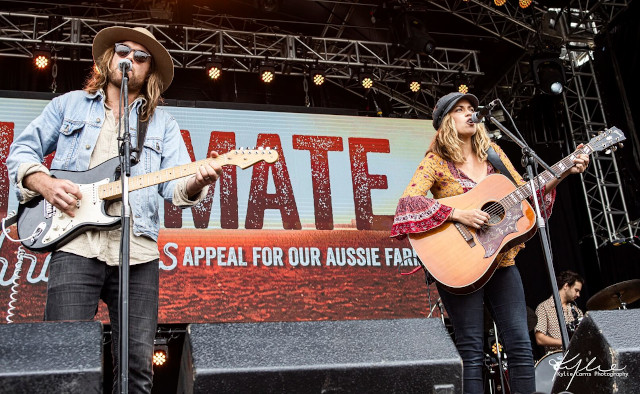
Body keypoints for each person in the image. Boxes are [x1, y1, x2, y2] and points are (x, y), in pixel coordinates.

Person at [6, 26, 222, 393]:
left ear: (149, 71)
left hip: (136, 252)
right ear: (108, 58)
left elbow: (174, 188)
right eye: (123, 51)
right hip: (76, 246)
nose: (130, 60)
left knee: (137, 369)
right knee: (63, 359)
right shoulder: (69, 105)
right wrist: (45, 183)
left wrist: (199, 179)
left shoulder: (162, 124)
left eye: (140, 58)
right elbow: (21, 151)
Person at [391, 92, 589, 394]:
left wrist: (563, 172)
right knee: (471, 350)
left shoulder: (494, 154)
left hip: (502, 262)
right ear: (446, 121)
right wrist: (459, 213)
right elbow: (408, 205)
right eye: (460, 110)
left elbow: (526, 193)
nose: (470, 113)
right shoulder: (436, 162)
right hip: (461, 265)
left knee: (521, 344)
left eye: (472, 108)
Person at [535, 270, 584, 353]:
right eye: (576, 290)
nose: (578, 295)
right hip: (557, 359)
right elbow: (539, 338)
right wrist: (566, 343)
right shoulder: (544, 307)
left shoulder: (577, 311)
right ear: (566, 286)